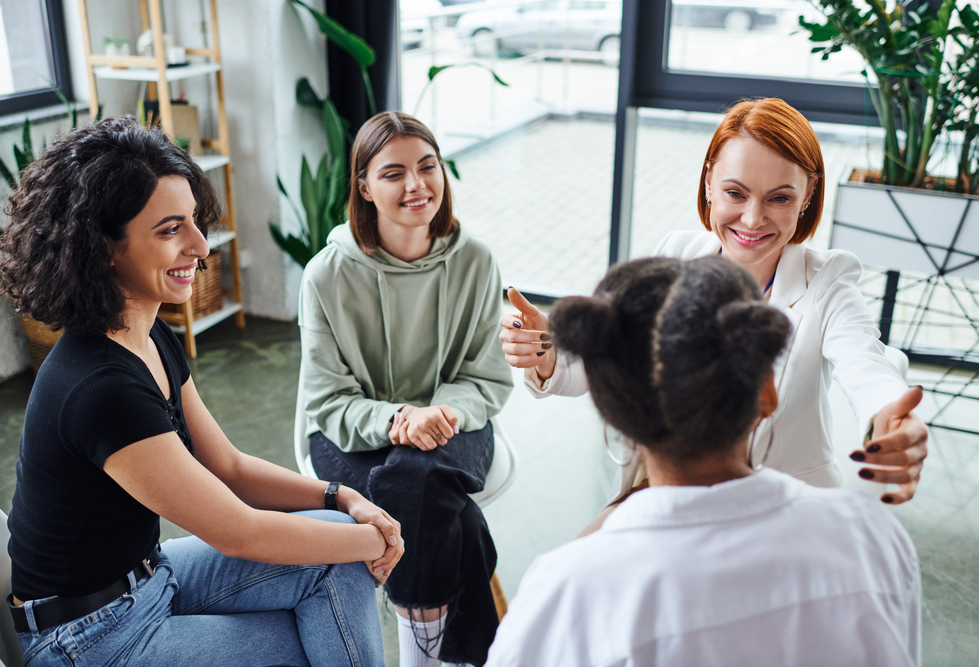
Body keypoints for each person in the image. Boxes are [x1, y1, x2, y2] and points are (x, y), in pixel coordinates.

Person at [0, 118, 402, 667]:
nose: (200, 246)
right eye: (170, 230)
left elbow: (228, 467)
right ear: (105, 247)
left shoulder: (150, 332)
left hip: (150, 576)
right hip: (88, 638)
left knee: (337, 546)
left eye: (194, 221)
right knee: (324, 619)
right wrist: (382, 541)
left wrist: (341, 498)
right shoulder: (100, 387)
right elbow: (239, 532)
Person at [486, 255, 922, 667]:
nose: (753, 218)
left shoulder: (567, 591)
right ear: (768, 390)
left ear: (613, 409)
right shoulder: (872, 538)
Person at [500, 97, 928, 502]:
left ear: (808, 195)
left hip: (776, 503)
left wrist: (888, 416)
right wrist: (548, 355)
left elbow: (866, 364)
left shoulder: (827, 281)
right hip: (662, 486)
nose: (753, 218)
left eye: (779, 198)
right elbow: (610, 367)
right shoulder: (674, 254)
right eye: (735, 193)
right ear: (708, 182)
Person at [296, 111, 514, 667]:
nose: (417, 185)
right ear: (364, 187)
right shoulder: (325, 275)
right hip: (353, 431)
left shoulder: (476, 260)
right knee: (448, 512)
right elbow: (327, 400)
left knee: (413, 478)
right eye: (394, 173)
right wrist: (397, 420)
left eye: (428, 167)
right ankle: (463, 655)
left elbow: (487, 377)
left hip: (453, 421)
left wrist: (437, 414)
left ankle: (419, 653)